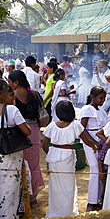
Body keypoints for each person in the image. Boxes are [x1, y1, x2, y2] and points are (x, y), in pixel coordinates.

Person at [42, 101, 98, 218]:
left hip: (54, 156)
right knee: (68, 185)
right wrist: (94, 146)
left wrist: (52, 152)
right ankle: (67, 212)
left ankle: (55, 211)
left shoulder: (52, 125)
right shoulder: (75, 125)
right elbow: (86, 140)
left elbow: (44, 144)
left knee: (55, 185)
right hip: (67, 156)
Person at [8, 70, 45, 207]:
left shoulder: (14, 95)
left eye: (10, 82)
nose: (9, 84)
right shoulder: (34, 93)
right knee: (34, 165)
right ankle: (33, 198)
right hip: (35, 131)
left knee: (23, 165)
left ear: (16, 82)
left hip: (21, 132)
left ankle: (23, 197)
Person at [0, 80, 32, 218]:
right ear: (1, 93)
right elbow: (27, 131)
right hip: (11, 156)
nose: (13, 97)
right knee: (9, 191)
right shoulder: (11, 110)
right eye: (10, 93)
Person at [79, 86, 108, 211]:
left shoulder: (101, 111)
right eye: (100, 98)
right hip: (90, 141)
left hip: (101, 142)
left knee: (102, 169)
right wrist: (93, 143)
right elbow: (82, 128)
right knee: (95, 169)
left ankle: (100, 198)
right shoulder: (87, 109)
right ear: (92, 97)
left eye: (104, 99)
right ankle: (91, 201)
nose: (102, 101)